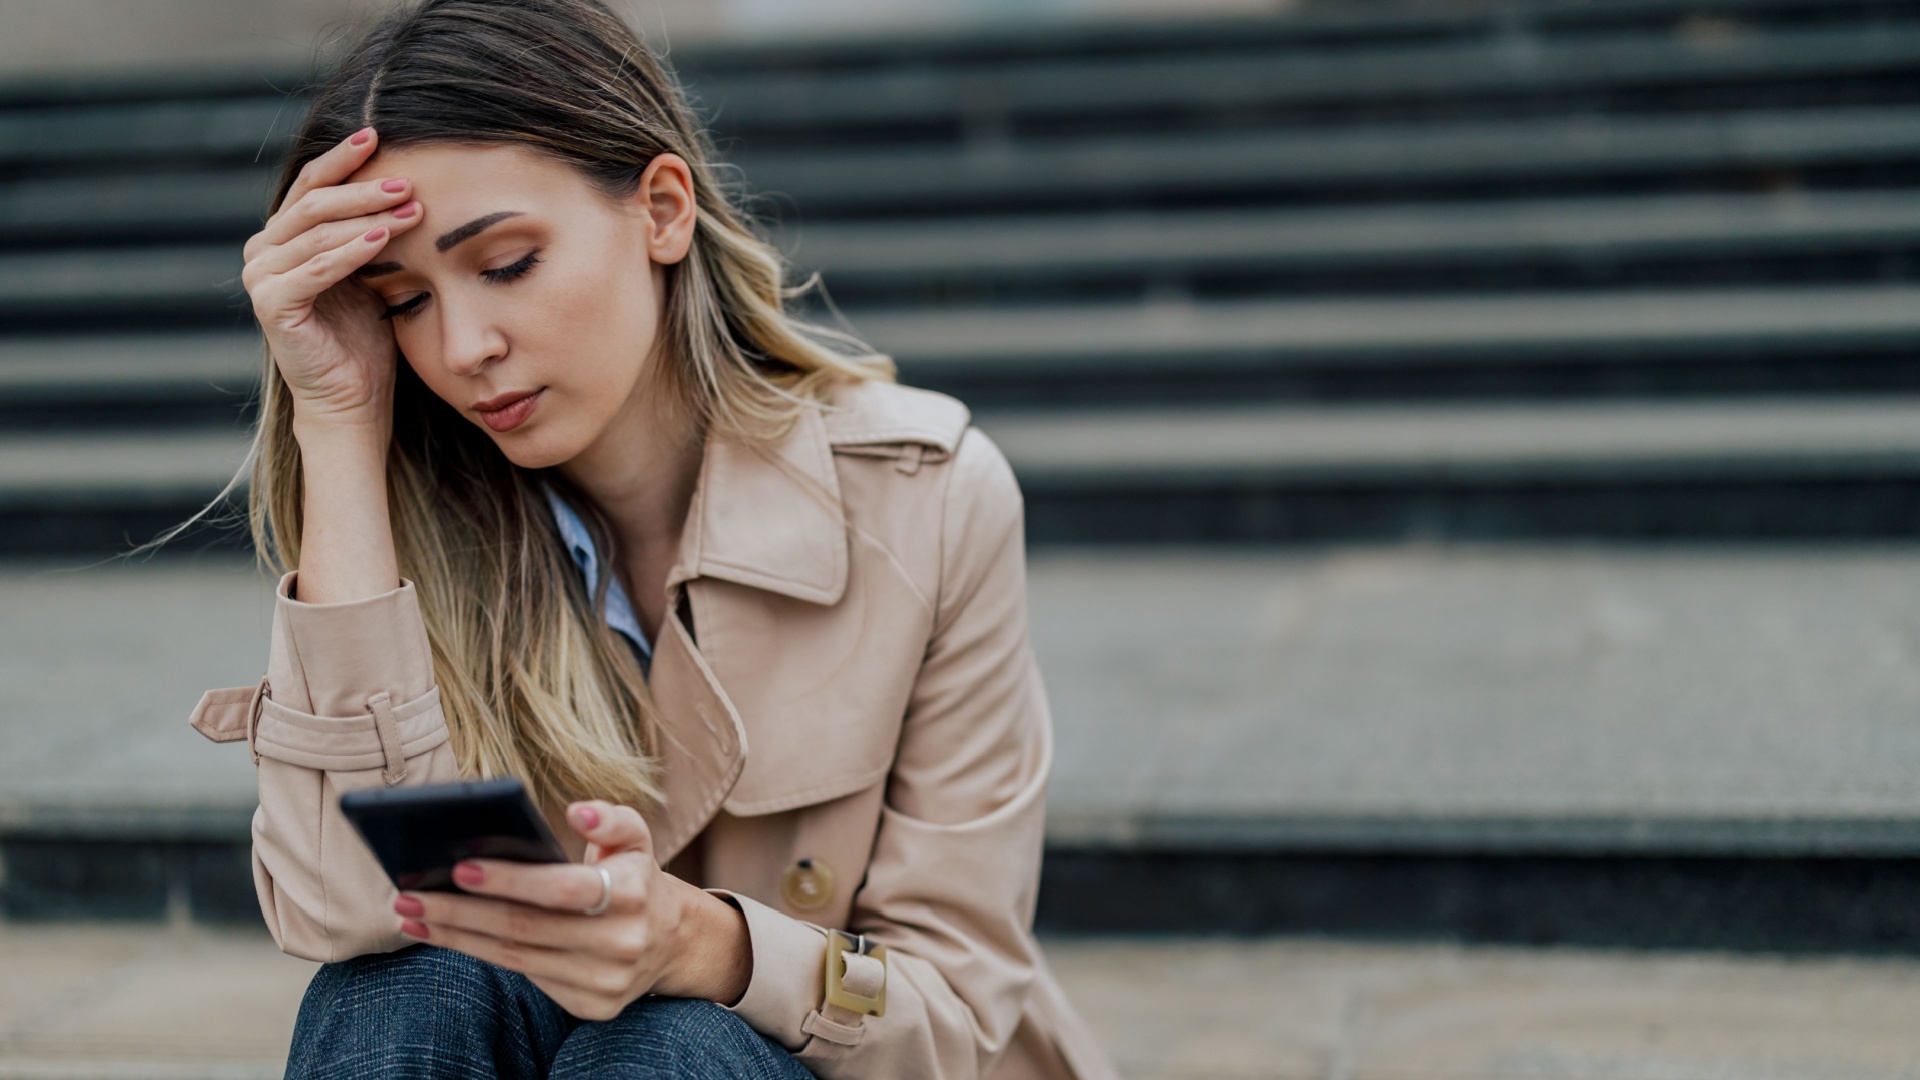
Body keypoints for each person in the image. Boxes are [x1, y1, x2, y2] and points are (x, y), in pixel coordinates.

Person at [185, 1, 1119, 1077]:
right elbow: (348, 914)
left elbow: (954, 1015)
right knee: (400, 989)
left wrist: (706, 947)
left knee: (673, 1046)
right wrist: (340, 422)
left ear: (662, 210)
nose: (463, 347)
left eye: (506, 263)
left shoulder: (930, 499)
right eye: (401, 302)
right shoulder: (398, 527)